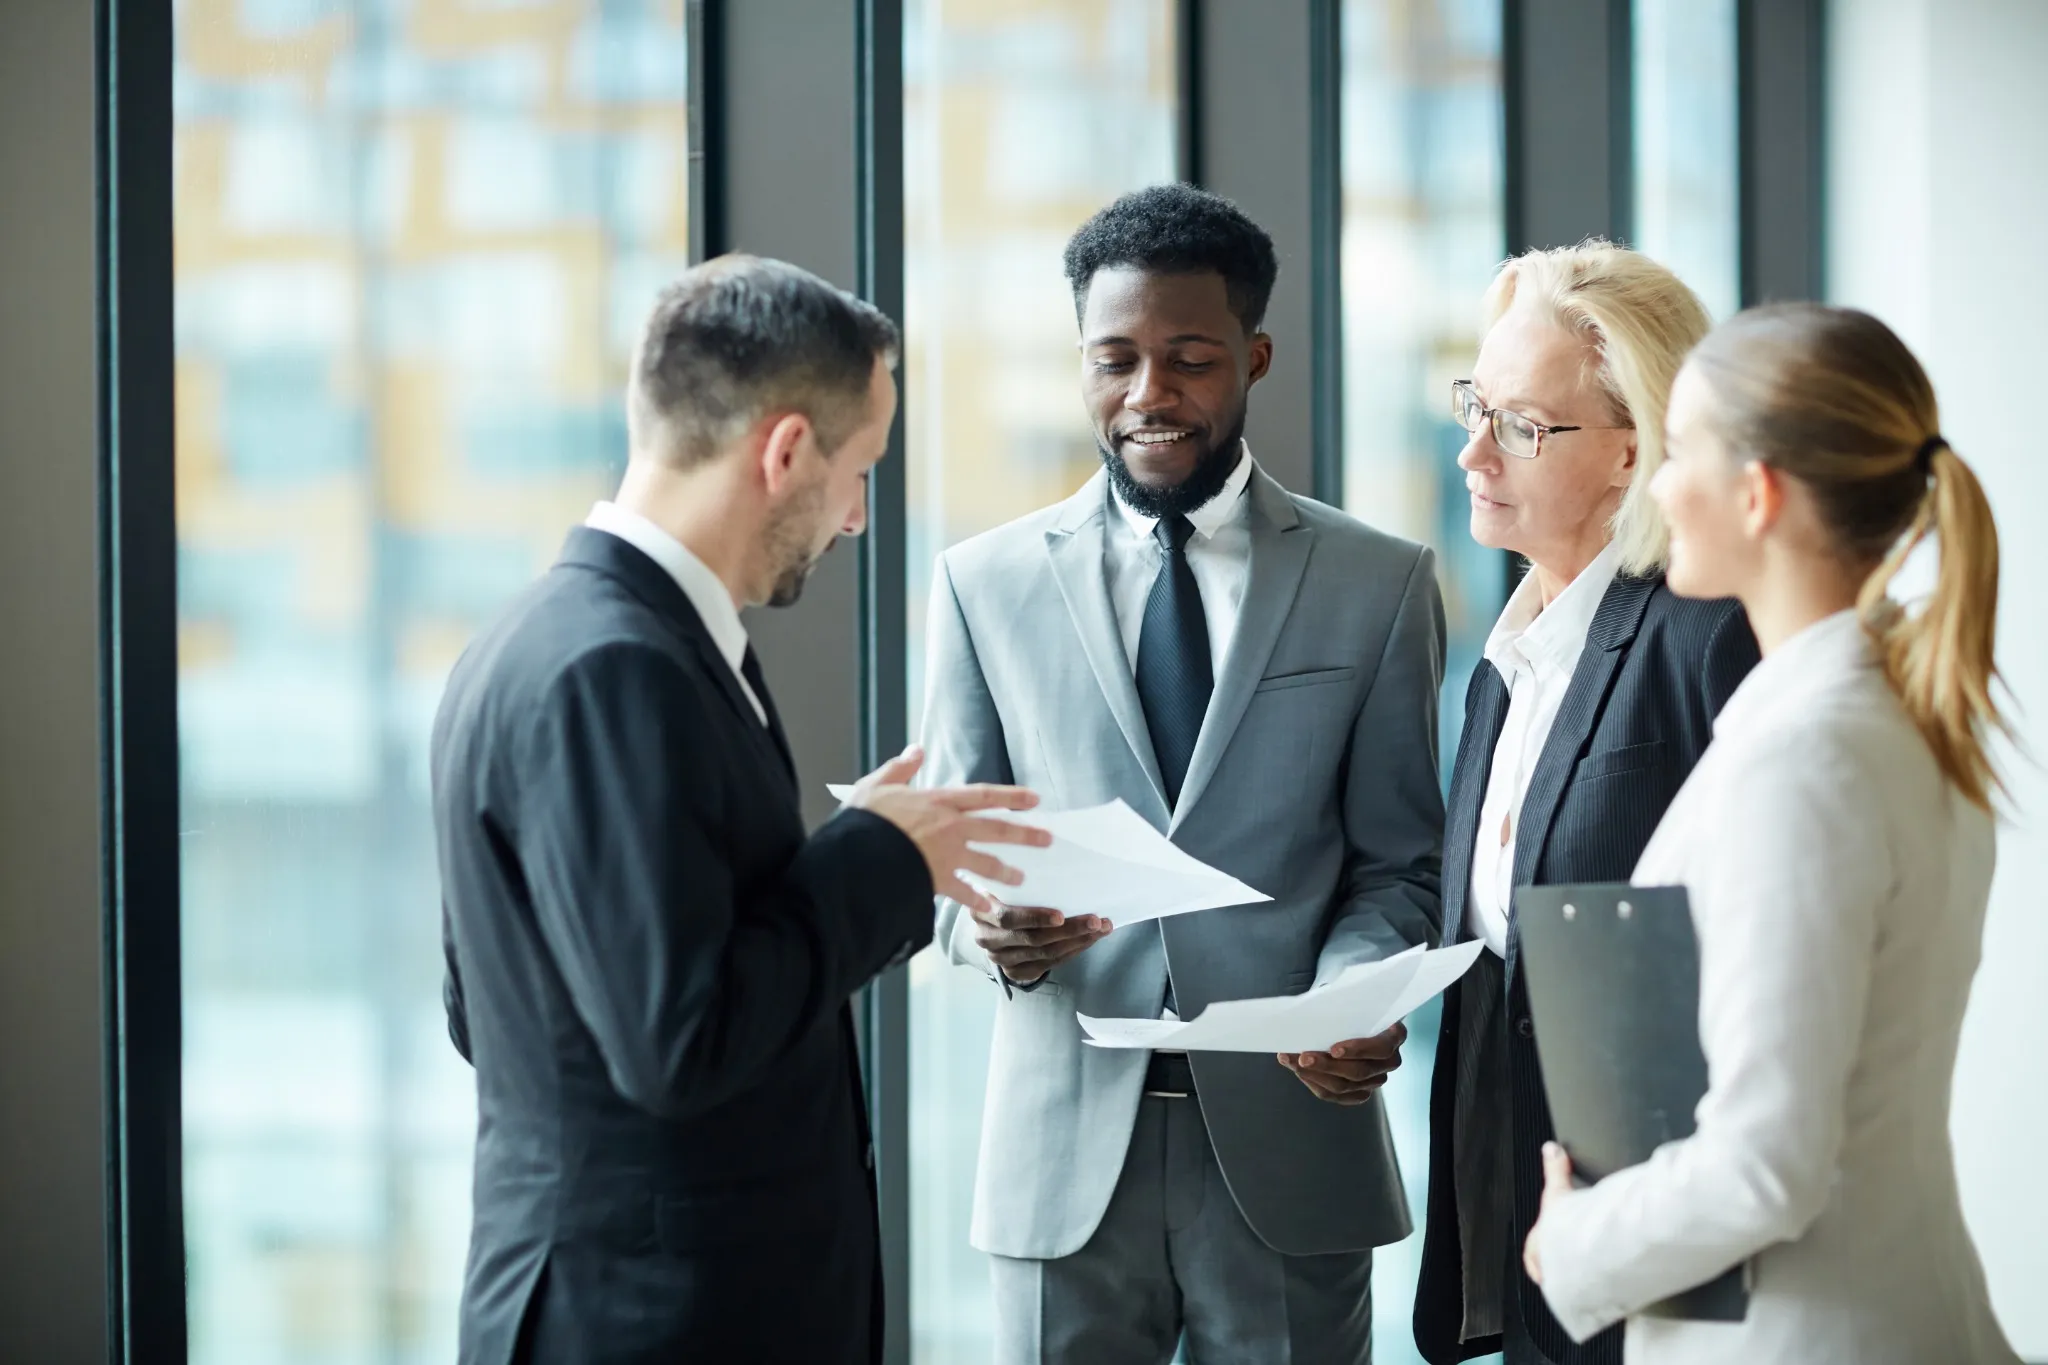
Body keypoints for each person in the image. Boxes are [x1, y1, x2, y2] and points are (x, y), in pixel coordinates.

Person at [431, 255, 1050, 1365]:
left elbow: (488, 1012)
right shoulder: (616, 669)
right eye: (861, 471)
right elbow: (678, 1041)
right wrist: (878, 860)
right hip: (652, 1324)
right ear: (785, 451)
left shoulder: (540, 640)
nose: (856, 519)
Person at [920, 182, 1445, 1363]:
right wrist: (986, 928)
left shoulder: (1377, 582)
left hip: (1289, 1146)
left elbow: (1400, 865)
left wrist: (1350, 995)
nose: (1147, 395)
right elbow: (947, 857)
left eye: (1189, 360)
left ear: (1253, 358)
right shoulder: (981, 584)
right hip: (1059, 1160)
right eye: (1113, 360)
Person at [1523, 303, 2020, 1365]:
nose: (1656, 486)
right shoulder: (1893, 712)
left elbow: (1765, 1163)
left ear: (1757, 495)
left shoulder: (1805, 756)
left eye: (1677, 452)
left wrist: (1571, 1243)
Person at [1412, 242, 1760, 1365]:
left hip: (1669, 1251)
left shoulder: (1708, 638)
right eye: (1475, 407)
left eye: (1520, 425)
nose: (1471, 451)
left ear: (1632, 450)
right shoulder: (1505, 663)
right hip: (1533, 1240)